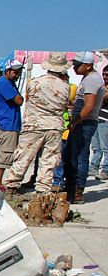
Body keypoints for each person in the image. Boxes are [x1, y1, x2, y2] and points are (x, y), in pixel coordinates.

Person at [3, 52, 71, 195]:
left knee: (24, 156)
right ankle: (43, 190)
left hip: (34, 124)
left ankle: (12, 185)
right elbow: (64, 105)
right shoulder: (66, 86)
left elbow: (28, 100)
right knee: (49, 159)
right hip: (54, 126)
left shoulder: (34, 82)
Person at [53, 52, 106, 203]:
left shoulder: (92, 80)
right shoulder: (88, 79)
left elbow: (88, 106)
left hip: (85, 123)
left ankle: (77, 191)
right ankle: (71, 188)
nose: (74, 67)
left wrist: (75, 122)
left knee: (80, 156)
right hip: (81, 122)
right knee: (71, 155)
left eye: (77, 65)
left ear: (88, 65)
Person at [0, 60, 25, 188]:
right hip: (7, 124)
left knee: (7, 153)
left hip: (10, 123)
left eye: (19, 73)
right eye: (15, 72)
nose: (17, 75)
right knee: (6, 154)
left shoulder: (9, 83)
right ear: (7, 71)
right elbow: (19, 100)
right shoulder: (4, 84)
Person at [88, 65, 108, 179]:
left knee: (105, 147)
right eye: (104, 74)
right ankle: (93, 168)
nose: (105, 77)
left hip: (105, 120)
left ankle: (106, 170)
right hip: (96, 118)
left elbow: (101, 98)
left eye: (107, 75)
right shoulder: (102, 86)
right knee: (96, 147)